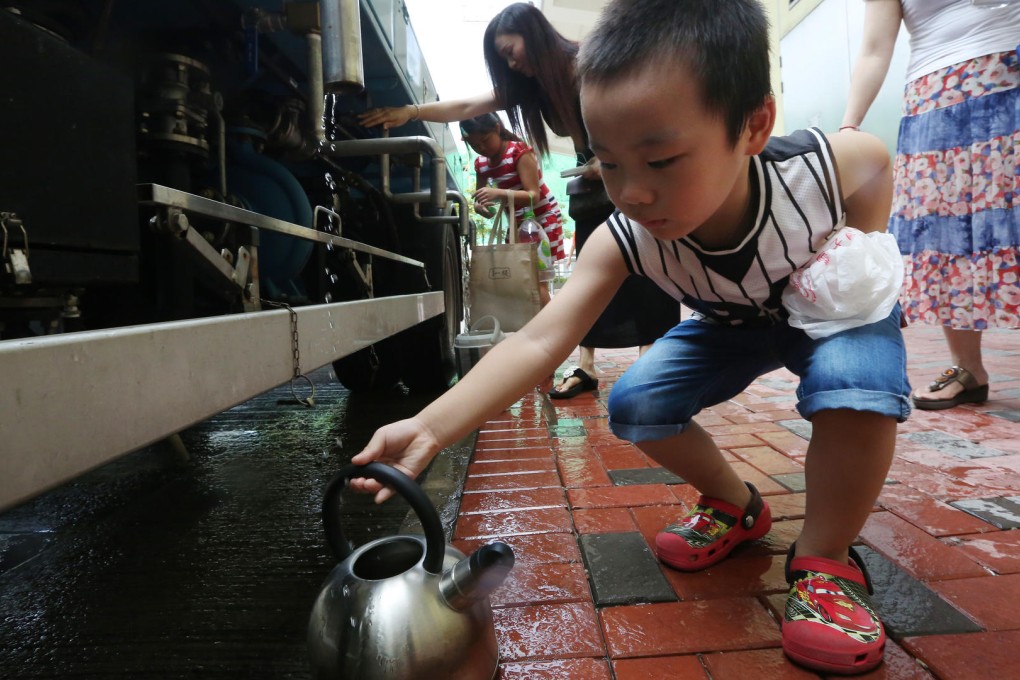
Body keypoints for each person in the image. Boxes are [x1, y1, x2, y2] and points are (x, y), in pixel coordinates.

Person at [351, 0, 909, 673]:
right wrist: (430, 427)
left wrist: (859, 252)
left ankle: (824, 558)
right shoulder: (625, 238)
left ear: (754, 126)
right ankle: (736, 506)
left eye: (662, 160)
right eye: (610, 164)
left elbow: (873, 160)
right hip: (728, 327)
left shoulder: (813, 170)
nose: (633, 194)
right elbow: (538, 342)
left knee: (857, 378)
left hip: (826, 310)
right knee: (636, 401)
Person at [358, 2, 680, 400]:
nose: (511, 65)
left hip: (632, 179)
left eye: (511, 52)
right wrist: (409, 111)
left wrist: (617, 156)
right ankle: (586, 366)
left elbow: (649, 104)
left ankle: (650, 365)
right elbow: (467, 106)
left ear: (534, 35)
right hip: (592, 190)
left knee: (646, 268)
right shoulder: (532, 88)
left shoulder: (589, 60)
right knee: (592, 277)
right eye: (503, 60)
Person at [842, 0, 1020, 410]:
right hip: (933, 98)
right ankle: (967, 369)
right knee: (943, 232)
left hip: (1009, 76)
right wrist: (849, 125)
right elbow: (875, 48)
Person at [460, 113, 564, 307]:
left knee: (535, 280)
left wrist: (498, 193)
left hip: (541, 220)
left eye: (485, 140)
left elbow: (534, 195)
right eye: (474, 145)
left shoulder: (519, 152)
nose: (481, 148)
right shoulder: (481, 164)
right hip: (517, 225)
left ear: (497, 128)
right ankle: (534, 322)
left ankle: (550, 323)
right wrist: (481, 207)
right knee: (519, 278)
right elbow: (482, 199)